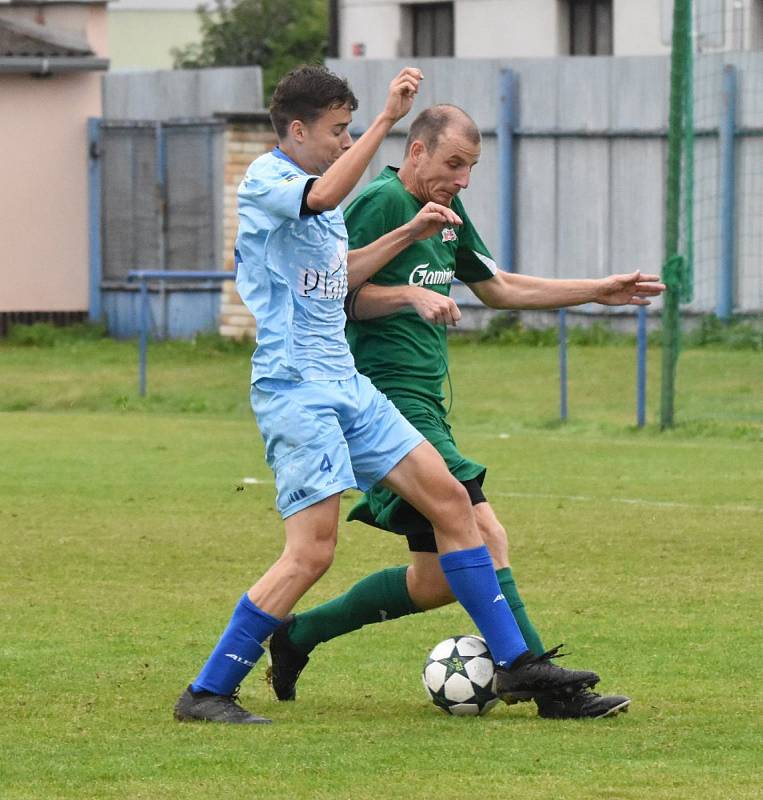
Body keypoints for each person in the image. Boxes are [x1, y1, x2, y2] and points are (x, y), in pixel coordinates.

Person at [173, 71, 604, 725]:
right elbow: (321, 196)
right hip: (296, 390)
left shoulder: (322, 208)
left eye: (350, 128)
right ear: (297, 130)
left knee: (453, 504)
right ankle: (207, 690)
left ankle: (519, 662)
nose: (345, 140)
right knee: (311, 552)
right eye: (336, 130)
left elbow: (337, 278)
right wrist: (384, 121)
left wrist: (411, 232)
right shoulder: (268, 180)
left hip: (348, 383)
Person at [267, 104, 665, 720]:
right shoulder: (380, 202)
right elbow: (334, 292)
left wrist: (596, 290)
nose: (464, 179)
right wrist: (408, 295)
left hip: (428, 405)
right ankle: (536, 677)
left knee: (437, 580)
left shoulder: (447, 216)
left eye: (472, 167)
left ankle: (299, 634)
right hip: (385, 401)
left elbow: (497, 286)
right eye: (455, 163)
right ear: (418, 152)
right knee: (485, 529)